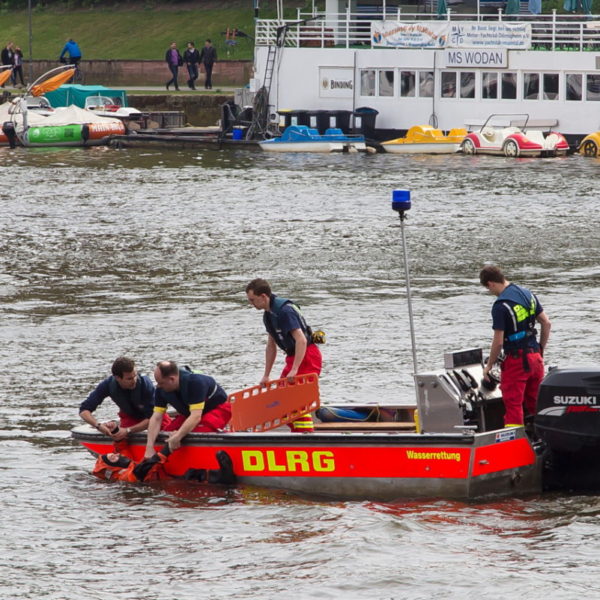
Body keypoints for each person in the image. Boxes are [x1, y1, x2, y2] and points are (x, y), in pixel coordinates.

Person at [245, 278, 322, 433]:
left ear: (264, 297)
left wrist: (294, 369)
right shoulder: (268, 315)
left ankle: (306, 437)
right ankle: (298, 432)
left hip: (306, 355)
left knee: (296, 399)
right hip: (293, 357)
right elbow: (271, 346)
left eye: (253, 300)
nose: (251, 304)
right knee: (281, 397)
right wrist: (266, 375)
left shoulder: (285, 311)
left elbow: (301, 340)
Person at [480, 265, 551, 428]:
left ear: (490, 284)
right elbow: (546, 323)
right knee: (535, 403)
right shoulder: (528, 294)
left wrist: (489, 366)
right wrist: (540, 350)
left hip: (516, 361)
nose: (491, 292)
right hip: (536, 358)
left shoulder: (501, 305)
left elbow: (498, 342)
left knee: (513, 405)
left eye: (488, 289)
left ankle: (515, 444)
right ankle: (543, 441)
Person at [143, 361, 232, 459]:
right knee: (166, 434)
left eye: (161, 383)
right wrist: (149, 447)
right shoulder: (160, 390)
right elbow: (156, 418)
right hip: (189, 413)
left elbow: (196, 416)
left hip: (217, 409)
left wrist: (178, 436)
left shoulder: (195, 382)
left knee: (196, 433)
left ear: (172, 379)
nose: (158, 386)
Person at [79, 356, 166, 442]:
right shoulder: (108, 385)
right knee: (119, 437)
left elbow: (154, 417)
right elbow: (84, 411)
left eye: (135, 376)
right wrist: (98, 425)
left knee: (167, 429)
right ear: (117, 378)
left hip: (155, 416)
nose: (134, 380)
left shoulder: (145, 385)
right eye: (129, 379)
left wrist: (128, 430)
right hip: (131, 417)